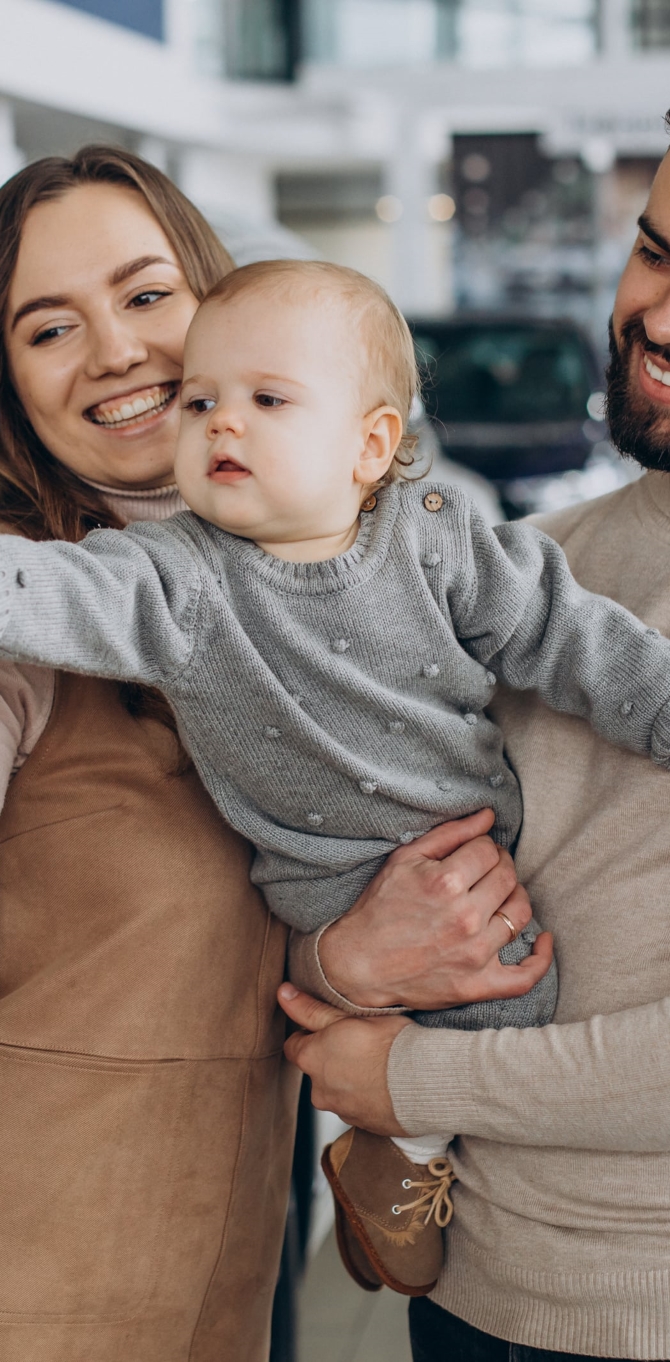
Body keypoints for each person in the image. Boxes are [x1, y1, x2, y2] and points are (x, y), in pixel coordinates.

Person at [0, 154, 550, 1358]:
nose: (115, 350)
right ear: (7, 386)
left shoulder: (368, 585)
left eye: (148, 297)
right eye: (50, 327)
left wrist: (348, 956)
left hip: (214, 1272)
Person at [0, 254, 670, 1298]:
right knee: (461, 1015)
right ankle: (406, 1155)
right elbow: (79, 591)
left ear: (371, 446)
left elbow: (572, 638)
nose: (223, 425)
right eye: (204, 402)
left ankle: (400, 1152)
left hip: (470, 843)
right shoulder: (185, 575)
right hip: (325, 872)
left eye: (267, 401)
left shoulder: (442, 541)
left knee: (516, 985)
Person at [278, 130, 670, 1362]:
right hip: (462, 1289)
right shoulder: (525, 564)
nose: (658, 314)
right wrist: (348, 954)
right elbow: (343, 832)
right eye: (655, 252)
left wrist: (410, 1084)